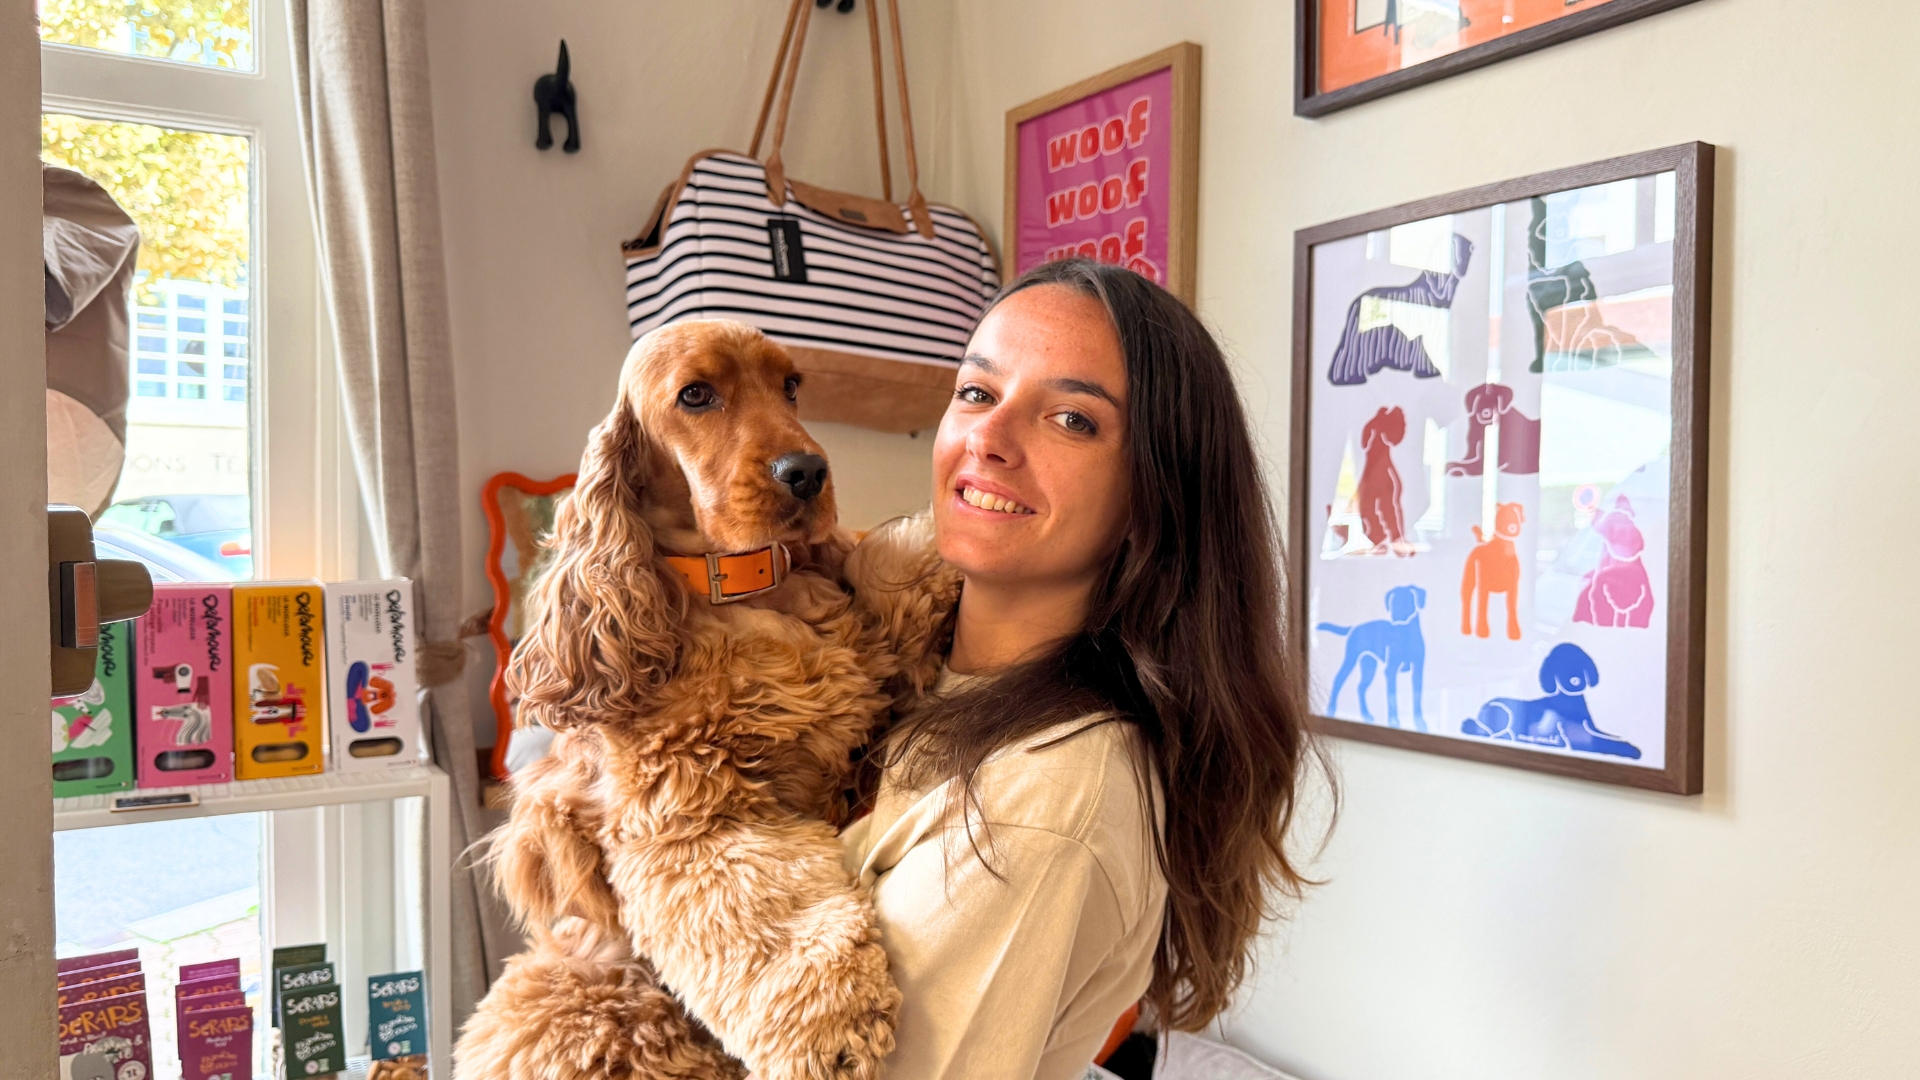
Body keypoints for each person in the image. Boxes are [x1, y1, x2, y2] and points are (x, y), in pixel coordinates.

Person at [839, 259, 1329, 1079]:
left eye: (1071, 419)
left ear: (1156, 493)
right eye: (976, 392)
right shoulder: (880, 654)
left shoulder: (1043, 801)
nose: (988, 440)